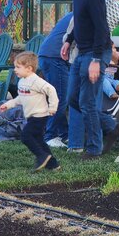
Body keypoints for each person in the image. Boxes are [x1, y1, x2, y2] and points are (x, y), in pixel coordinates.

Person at [61, 0, 119, 160]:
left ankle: (94, 149)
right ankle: (111, 126)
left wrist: (97, 61)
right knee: (73, 98)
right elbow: (80, 21)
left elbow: (102, 30)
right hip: (82, 51)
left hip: (96, 52)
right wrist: (69, 40)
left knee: (87, 102)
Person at [0, 51, 60, 171]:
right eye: (14, 67)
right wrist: (8, 105)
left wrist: (53, 107)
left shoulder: (36, 81)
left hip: (40, 115)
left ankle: (41, 156)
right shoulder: (22, 82)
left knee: (26, 136)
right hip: (31, 116)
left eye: (18, 67)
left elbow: (51, 90)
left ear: (29, 69)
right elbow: (20, 98)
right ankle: (53, 164)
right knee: (39, 140)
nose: (15, 70)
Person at [38, 12, 73, 148]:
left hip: (49, 55)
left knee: (62, 96)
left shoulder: (74, 13)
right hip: (55, 57)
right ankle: (50, 136)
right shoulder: (85, 14)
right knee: (60, 98)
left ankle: (64, 134)